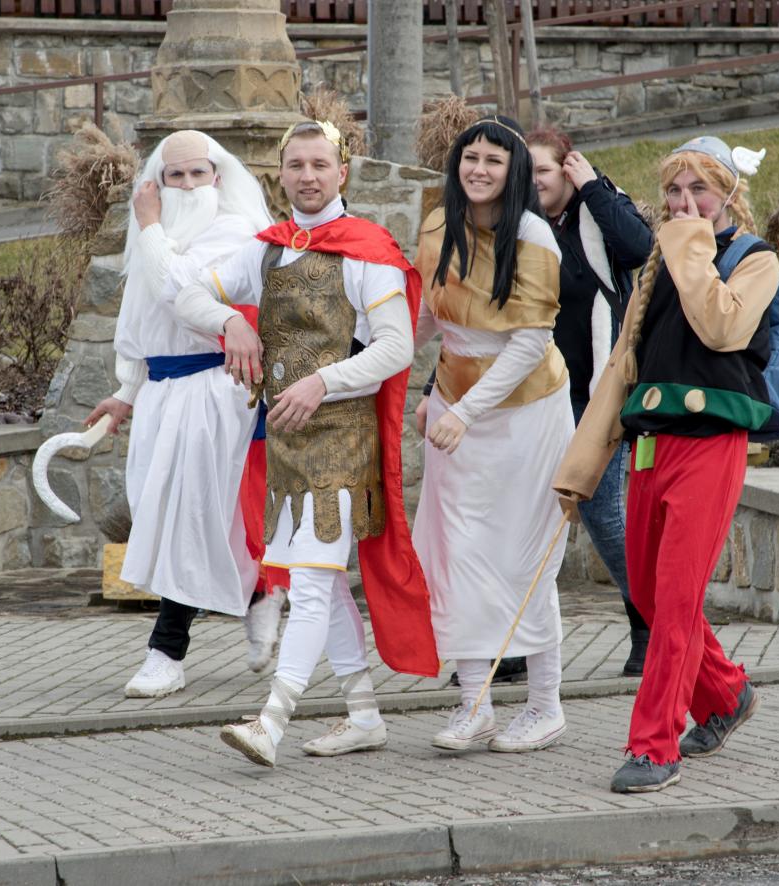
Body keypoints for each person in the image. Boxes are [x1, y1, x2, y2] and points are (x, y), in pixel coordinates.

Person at [174, 120, 438, 767]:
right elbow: (186, 295)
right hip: (289, 445)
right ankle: (364, 715)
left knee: (315, 584)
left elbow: (397, 346)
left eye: (320, 164)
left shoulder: (366, 250)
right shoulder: (266, 251)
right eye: (297, 165)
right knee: (315, 581)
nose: (309, 176)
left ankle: (272, 720)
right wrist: (232, 321)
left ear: (342, 171)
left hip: (343, 440)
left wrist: (324, 381)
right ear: (282, 174)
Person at [553, 135, 774, 793]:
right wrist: (582, 464)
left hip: (710, 444)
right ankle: (727, 694)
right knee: (649, 595)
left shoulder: (753, 259)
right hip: (649, 444)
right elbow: (623, 368)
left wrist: (690, 244)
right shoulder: (658, 266)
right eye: (674, 191)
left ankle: (654, 747)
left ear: (728, 194)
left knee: (675, 603)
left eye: (698, 189)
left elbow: (721, 327)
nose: (684, 202)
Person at [85, 130, 285, 700]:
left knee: (189, 516)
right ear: (160, 180)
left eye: (199, 173)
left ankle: (166, 651)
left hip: (215, 389)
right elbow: (139, 316)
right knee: (167, 512)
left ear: (217, 176)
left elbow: (179, 290)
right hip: (162, 393)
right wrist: (127, 391)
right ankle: (260, 593)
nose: (190, 185)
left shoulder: (233, 230)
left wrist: (149, 225)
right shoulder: (156, 237)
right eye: (177, 175)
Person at [412, 115, 573, 753]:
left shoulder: (533, 236)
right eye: (470, 157)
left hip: (526, 416)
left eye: (494, 160)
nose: (478, 170)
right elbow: (429, 319)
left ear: (514, 171)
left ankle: (545, 707)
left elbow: (529, 344)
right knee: (458, 556)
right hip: (456, 412)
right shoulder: (437, 225)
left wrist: (463, 412)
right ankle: (473, 705)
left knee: (523, 560)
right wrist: (399, 375)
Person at [527, 126, 654, 676]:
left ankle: (651, 623)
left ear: (567, 170)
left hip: (594, 394)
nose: (534, 182)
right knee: (524, 518)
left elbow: (641, 249)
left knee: (603, 515)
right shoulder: (519, 227)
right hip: (533, 395)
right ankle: (515, 645)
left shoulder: (594, 216)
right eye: (527, 172)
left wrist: (593, 186)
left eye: (544, 171)